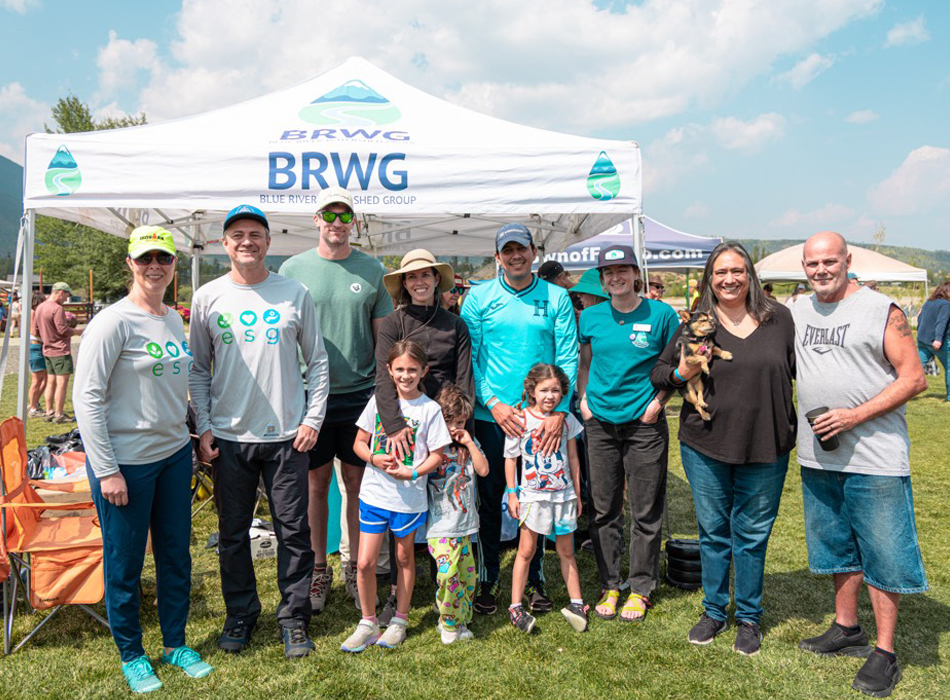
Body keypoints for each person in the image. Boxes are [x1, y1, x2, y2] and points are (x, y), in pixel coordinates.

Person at [73, 226, 211, 694]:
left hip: (173, 456)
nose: (155, 266)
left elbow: (177, 384)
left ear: (174, 265)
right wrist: (107, 470)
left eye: (163, 259)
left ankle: (175, 644)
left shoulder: (172, 319)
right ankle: (132, 654)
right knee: (125, 562)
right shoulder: (112, 322)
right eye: (146, 258)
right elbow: (86, 398)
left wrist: (195, 434)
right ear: (130, 263)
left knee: (176, 555)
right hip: (126, 464)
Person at [189, 205, 330, 659]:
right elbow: (198, 369)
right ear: (224, 244)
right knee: (232, 534)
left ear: (269, 242)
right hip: (230, 438)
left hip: (288, 437)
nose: (246, 241)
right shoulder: (207, 296)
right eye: (237, 234)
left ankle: (294, 619)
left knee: (294, 532)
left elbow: (318, 361)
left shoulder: (294, 292)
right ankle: (241, 614)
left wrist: (312, 420)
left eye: (255, 234)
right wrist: (205, 426)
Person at [792, 231, 928, 698]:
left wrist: (855, 415)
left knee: (883, 552)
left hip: (875, 456)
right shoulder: (798, 309)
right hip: (818, 453)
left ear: (847, 260)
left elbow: (914, 378)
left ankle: (885, 651)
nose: (821, 270)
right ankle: (846, 627)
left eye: (829, 261)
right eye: (812, 264)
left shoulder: (881, 309)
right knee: (836, 545)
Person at [652, 241, 796, 656]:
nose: (729, 279)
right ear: (709, 279)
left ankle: (748, 617)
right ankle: (714, 611)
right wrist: (682, 372)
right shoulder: (699, 322)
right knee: (714, 533)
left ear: (749, 274)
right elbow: (660, 373)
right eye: (720, 272)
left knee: (751, 535)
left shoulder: (779, 318)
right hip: (706, 444)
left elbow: (803, 369)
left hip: (766, 443)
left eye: (736, 271)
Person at [279, 187, 394, 613]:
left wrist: (383, 394)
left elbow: (384, 341)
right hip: (310, 396)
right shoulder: (293, 268)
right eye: (330, 215)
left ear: (353, 223)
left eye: (345, 216)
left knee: (358, 484)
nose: (337, 223)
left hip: (359, 395)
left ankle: (354, 565)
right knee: (315, 484)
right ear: (316, 219)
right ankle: (317, 569)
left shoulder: (371, 269)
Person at [460, 223, 578, 616]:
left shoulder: (556, 297)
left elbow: (567, 355)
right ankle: (488, 578)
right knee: (490, 499)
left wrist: (558, 410)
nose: (515, 256)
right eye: (507, 250)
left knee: (540, 499)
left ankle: (536, 580)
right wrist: (493, 403)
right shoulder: (479, 297)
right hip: (492, 418)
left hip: (541, 420)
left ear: (533, 252)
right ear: (497, 257)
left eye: (521, 249)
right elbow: (469, 357)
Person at [578, 245, 679, 622]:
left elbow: (676, 364)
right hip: (600, 422)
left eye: (623, 270)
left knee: (645, 509)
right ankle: (610, 584)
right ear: (602, 280)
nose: (615, 277)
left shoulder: (662, 314)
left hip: (645, 423)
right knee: (604, 509)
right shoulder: (591, 317)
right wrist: (583, 400)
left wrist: (659, 402)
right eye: (608, 272)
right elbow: (584, 363)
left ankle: (640, 588)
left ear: (637, 274)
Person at [374, 248, 473, 623]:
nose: (419, 282)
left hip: (446, 427)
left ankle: (443, 587)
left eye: (425, 275)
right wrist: (394, 427)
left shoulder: (455, 325)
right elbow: (383, 379)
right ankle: (396, 592)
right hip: (405, 427)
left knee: (444, 509)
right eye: (412, 276)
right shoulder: (392, 324)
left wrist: (459, 430)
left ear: (436, 280)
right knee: (401, 510)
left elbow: (464, 378)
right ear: (404, 283)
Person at [341, 340, 451, 652]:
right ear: (389, 370)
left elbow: (438, 455)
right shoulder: (379, 402)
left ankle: (400, 620)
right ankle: (368, 622)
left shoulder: (430, 409)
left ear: (424, 371)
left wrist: (412, 473)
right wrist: (373, 458)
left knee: (404, 558)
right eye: (400, 369)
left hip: (408, 500)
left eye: (412, 370)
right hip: (374, 496)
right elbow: (359, 443)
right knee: (365, 563)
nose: (406, 375)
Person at [504, 364, 585, 633]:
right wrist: (513, 494)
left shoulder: (567, 421)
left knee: (566, 551)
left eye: (556, 391)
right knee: (526, 551)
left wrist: (577, 494)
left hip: (563, 497)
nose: (550, 396)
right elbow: (510, 459)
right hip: (532, 498)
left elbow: (573, 458)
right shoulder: (520, 420)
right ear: (532, 391)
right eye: (544, 390)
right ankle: (515, 607)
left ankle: (577, 604)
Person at [427, 384, 489, 644]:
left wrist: (470, 442)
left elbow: (483, 470)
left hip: (465, 526)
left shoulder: (467, 447)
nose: (454, 428)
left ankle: (459, 619)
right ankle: (449, 625)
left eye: (460, 422)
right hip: (440, 527)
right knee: (449, 575)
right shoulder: (432, 449)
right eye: (449, 421)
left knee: (467, 579)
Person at [34, 281, 77, 423]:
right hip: (60, 351)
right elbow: (63, 330)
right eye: (66, 296)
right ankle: (59, 414)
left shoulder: (40, 307)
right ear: (60, 292)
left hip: (47, 350)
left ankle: (49, 411)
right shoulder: (57, 308)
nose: (66, 299)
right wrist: (78, 331)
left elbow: (35, 331)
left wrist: (48, 337)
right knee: (61, 384)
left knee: (50, 382)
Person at [916, 282, 950, 402]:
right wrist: (938, 339)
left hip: (923, 341)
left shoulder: (928, 302)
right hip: (938, 343)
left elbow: (920, 318)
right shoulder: (946, 305)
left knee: (915, 369)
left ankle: (900, 392)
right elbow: (941, 322)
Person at [27, 293, 48, 416]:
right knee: (37, 380)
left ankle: (34, 403)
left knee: (46, 378)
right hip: (36, 346)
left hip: (39, 346)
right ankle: (33, 408)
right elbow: (34, 331)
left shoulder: (34, 312)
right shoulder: (33, 312)